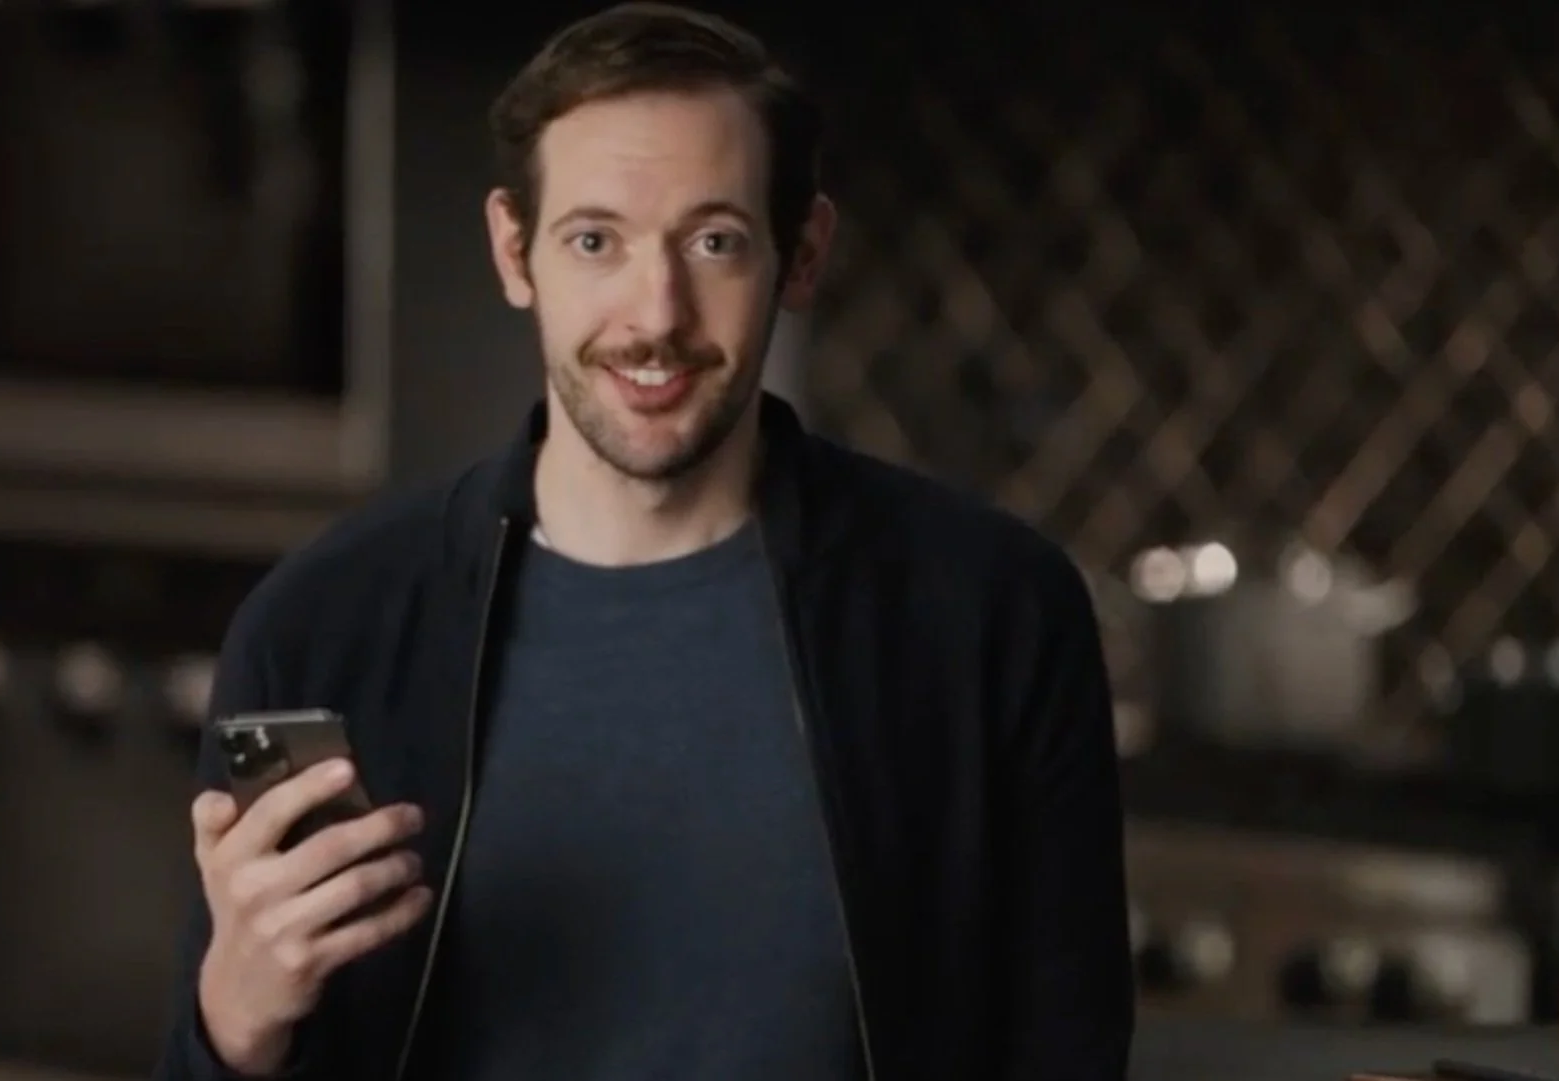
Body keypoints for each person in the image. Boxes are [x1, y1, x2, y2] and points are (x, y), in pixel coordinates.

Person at [154, 4, 1134, 1079]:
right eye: (595, 241)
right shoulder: (318, 626)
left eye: (714, 241)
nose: (656, 313)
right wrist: (233, 1021)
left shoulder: (992, 614)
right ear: (513, 251)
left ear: (801, 254)